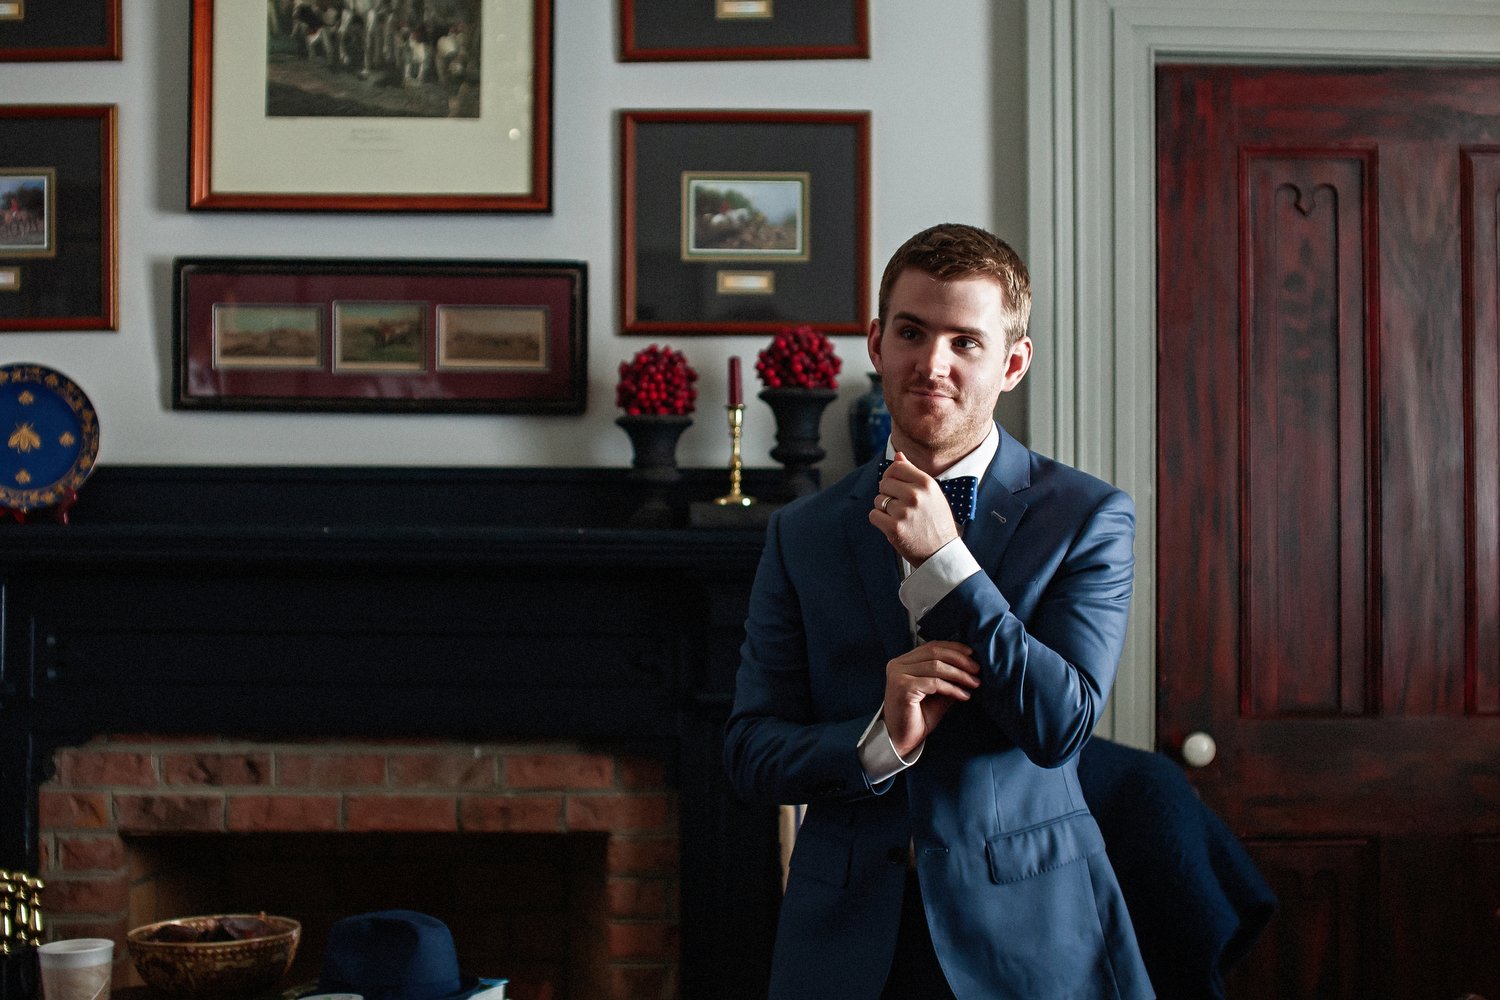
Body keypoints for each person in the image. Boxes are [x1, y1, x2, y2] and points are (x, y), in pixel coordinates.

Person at [724, 223, 1154, 999]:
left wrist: (945, 563)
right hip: (844, 946)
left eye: (966, 342)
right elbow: (750, 752)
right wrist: (876, 743)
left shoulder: (1089, 517)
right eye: (913, 333)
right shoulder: (803, 533)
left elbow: (1061, 725)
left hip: (1032, 940)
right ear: (875, 343)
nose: (932, 364)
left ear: (1013, 362)